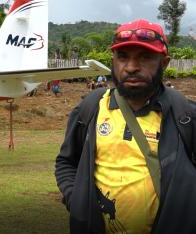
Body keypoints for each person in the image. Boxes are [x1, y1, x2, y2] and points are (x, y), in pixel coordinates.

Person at [55, 19, 196, 233]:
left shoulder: (185, 115)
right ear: (113, 61)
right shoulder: (91, 108)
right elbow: (66, 162)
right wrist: (77, 202)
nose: (131, 67)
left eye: (145, 57)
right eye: (122, 57)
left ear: (164, 63)